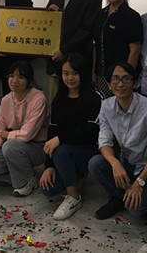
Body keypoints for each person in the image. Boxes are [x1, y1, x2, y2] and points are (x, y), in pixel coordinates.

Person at [88, 61, 147, 221]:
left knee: (137, 210)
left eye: (126, 79)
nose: (120, 84)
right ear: (109, 85)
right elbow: (104, 141)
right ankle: (119, 198)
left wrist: (140, 182)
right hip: (127, 162)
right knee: (95, 163)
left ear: (134, 83)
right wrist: (115, 163)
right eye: (115, 79)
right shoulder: (106, 106)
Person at [40, 53, 101, 220]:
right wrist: (49, 166)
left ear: (83, 73)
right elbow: (52, 133)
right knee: (48, 189)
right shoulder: (59, 99)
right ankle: (76, 178)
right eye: (65, 73)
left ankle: (73, 197)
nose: (70, 78)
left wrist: (61, 139)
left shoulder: (95, 97)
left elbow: (91, 132)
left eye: (74, 73)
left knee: (61, 150)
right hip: (65, 152)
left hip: (89, 151)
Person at [0, 61, 49, 196]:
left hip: (39, 146)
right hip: (14, 146)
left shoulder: (39, 98)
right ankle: (30, 177)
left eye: (21, 77)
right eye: (11, 76)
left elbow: (27, 134)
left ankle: (23, 183)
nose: (14, 80)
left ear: (30, 81)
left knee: (10, 146)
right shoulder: (6, 100)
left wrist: (7, 134)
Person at [46, 0, 101, 99]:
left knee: (78, 102)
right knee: (56, 102)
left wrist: (63, 50)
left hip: (78, 62)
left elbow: (87, 30)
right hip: (54, 62)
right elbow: (47, 26)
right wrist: (48, 13)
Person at [92, 0, 143, 99]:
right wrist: (93, 72)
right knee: (105, 106)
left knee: (121, 105)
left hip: (120, 78)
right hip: (102, 75)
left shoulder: (131, 16)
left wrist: (127, 77)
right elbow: (95, 45)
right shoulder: (100, 14)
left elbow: (135, 51)